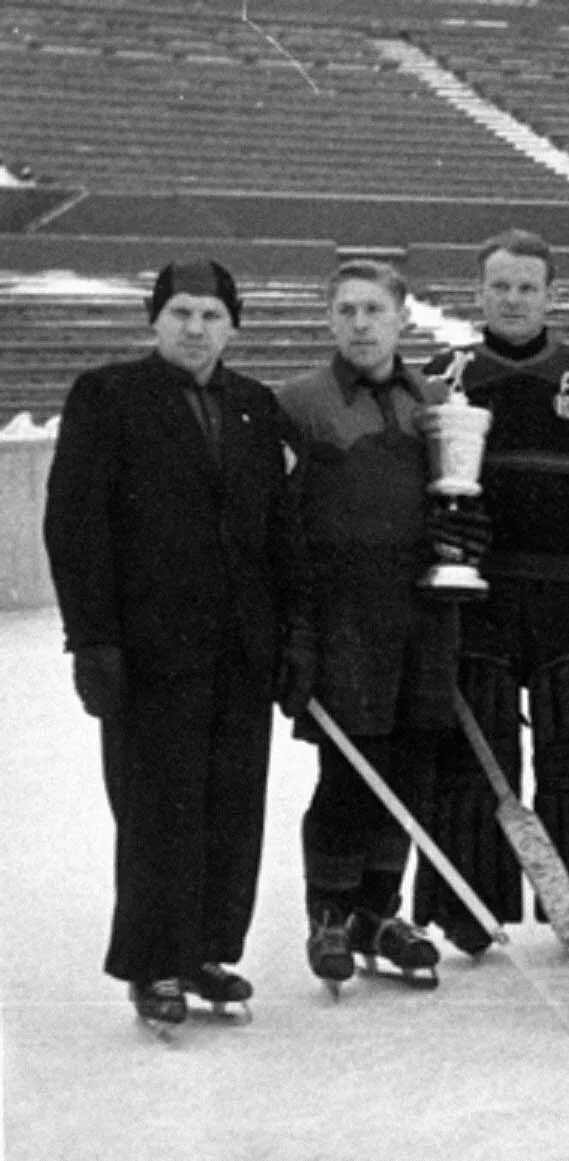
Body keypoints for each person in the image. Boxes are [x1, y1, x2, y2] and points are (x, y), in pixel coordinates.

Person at [43, 258, 301, 1030]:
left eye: (211, 315)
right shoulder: (108, 395)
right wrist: (93, 639)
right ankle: (154, 961)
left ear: (234, 325)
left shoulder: (257, 406)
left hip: (240, 647)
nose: (196, 328)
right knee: (158, 807)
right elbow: (75, 524)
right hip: (150, 650)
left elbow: (279, 533)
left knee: (231, 802)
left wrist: (290, 635)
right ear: (154, 320)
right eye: (182, 312)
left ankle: (208, 951)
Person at [417, 229, 569, 949]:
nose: (514, 299)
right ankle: (469, 906)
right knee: (476, 754)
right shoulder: (446, 375)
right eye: (501, 286)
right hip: (480, 599)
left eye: (528, 287)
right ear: (479, 293)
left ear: (551, 295)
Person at [275, 261, 487, 990]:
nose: (360, 323)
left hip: (421, 614)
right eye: (346, 310)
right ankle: (329, 911)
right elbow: (280, 526)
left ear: (402, 318)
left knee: (409, 766)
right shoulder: (299, 404)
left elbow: (454, 502)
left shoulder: (432, 401)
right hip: (342, 617)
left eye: (374, 309)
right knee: (349, 769)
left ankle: (378, 910)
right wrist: (296, 632)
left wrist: (464, 537)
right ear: (329, 319)